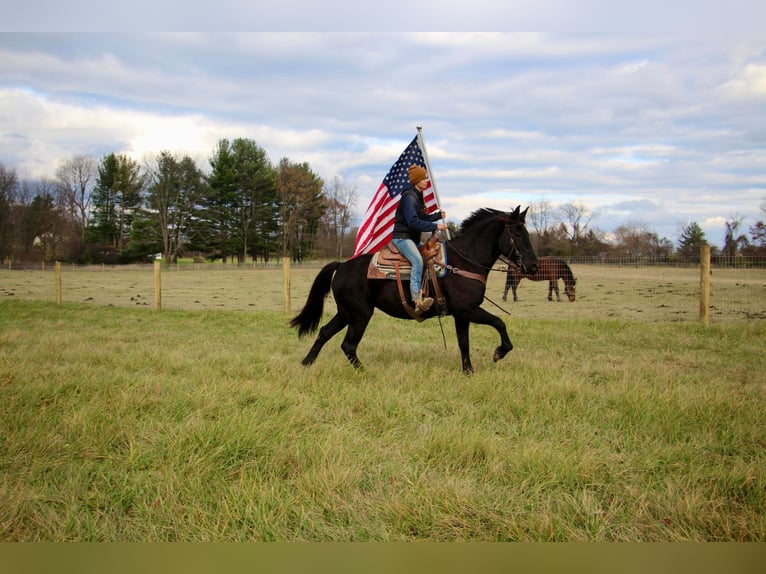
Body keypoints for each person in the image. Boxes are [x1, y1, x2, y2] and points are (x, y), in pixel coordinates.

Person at [392, 165, 448, 314]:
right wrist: (436, 225)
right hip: (402, 238)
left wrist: (437, 216)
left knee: (430, 258)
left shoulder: (416, 195)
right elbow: (413, 222)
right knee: (418, 261)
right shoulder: (409, 197)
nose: (426, 182)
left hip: (412, 238)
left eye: (426, 179)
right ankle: (417, 301)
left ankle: (426, 291)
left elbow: (422, 217)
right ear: (416, 180)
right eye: (423, 179)